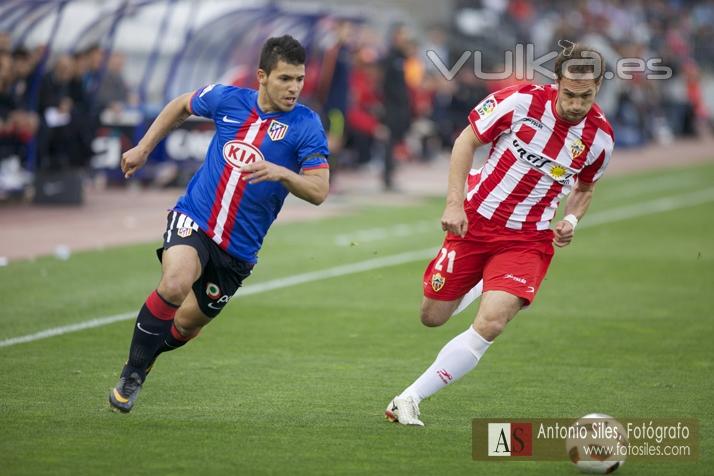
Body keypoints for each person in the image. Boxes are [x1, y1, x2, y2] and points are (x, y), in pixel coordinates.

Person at [385, 44, 614, 426]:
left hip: (529, 239)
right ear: (556, 82)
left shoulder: (600, 139)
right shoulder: (519, 102)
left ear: (598, 89)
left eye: (585, 96)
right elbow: (465, 141)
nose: (576, 104)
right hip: (475, 221)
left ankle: (409, 398)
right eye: (570, 94)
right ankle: (480, 284)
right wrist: (454, 203)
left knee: (491, 323)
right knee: (432, 316)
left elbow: (585, 189)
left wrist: (570, 221)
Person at [109, 35, 329, 413]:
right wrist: (144, 147)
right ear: (262, 76)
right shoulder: (228, 99)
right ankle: (134, 371)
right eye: (285, 79)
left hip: (239, 251)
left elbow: (319, 190)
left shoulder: (306, 125)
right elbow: (181, 104)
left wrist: (281, 173)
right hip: (194, 219)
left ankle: (148, 352)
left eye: (299, 79)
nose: (294, 88)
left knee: (186, 326)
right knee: (175, 282)